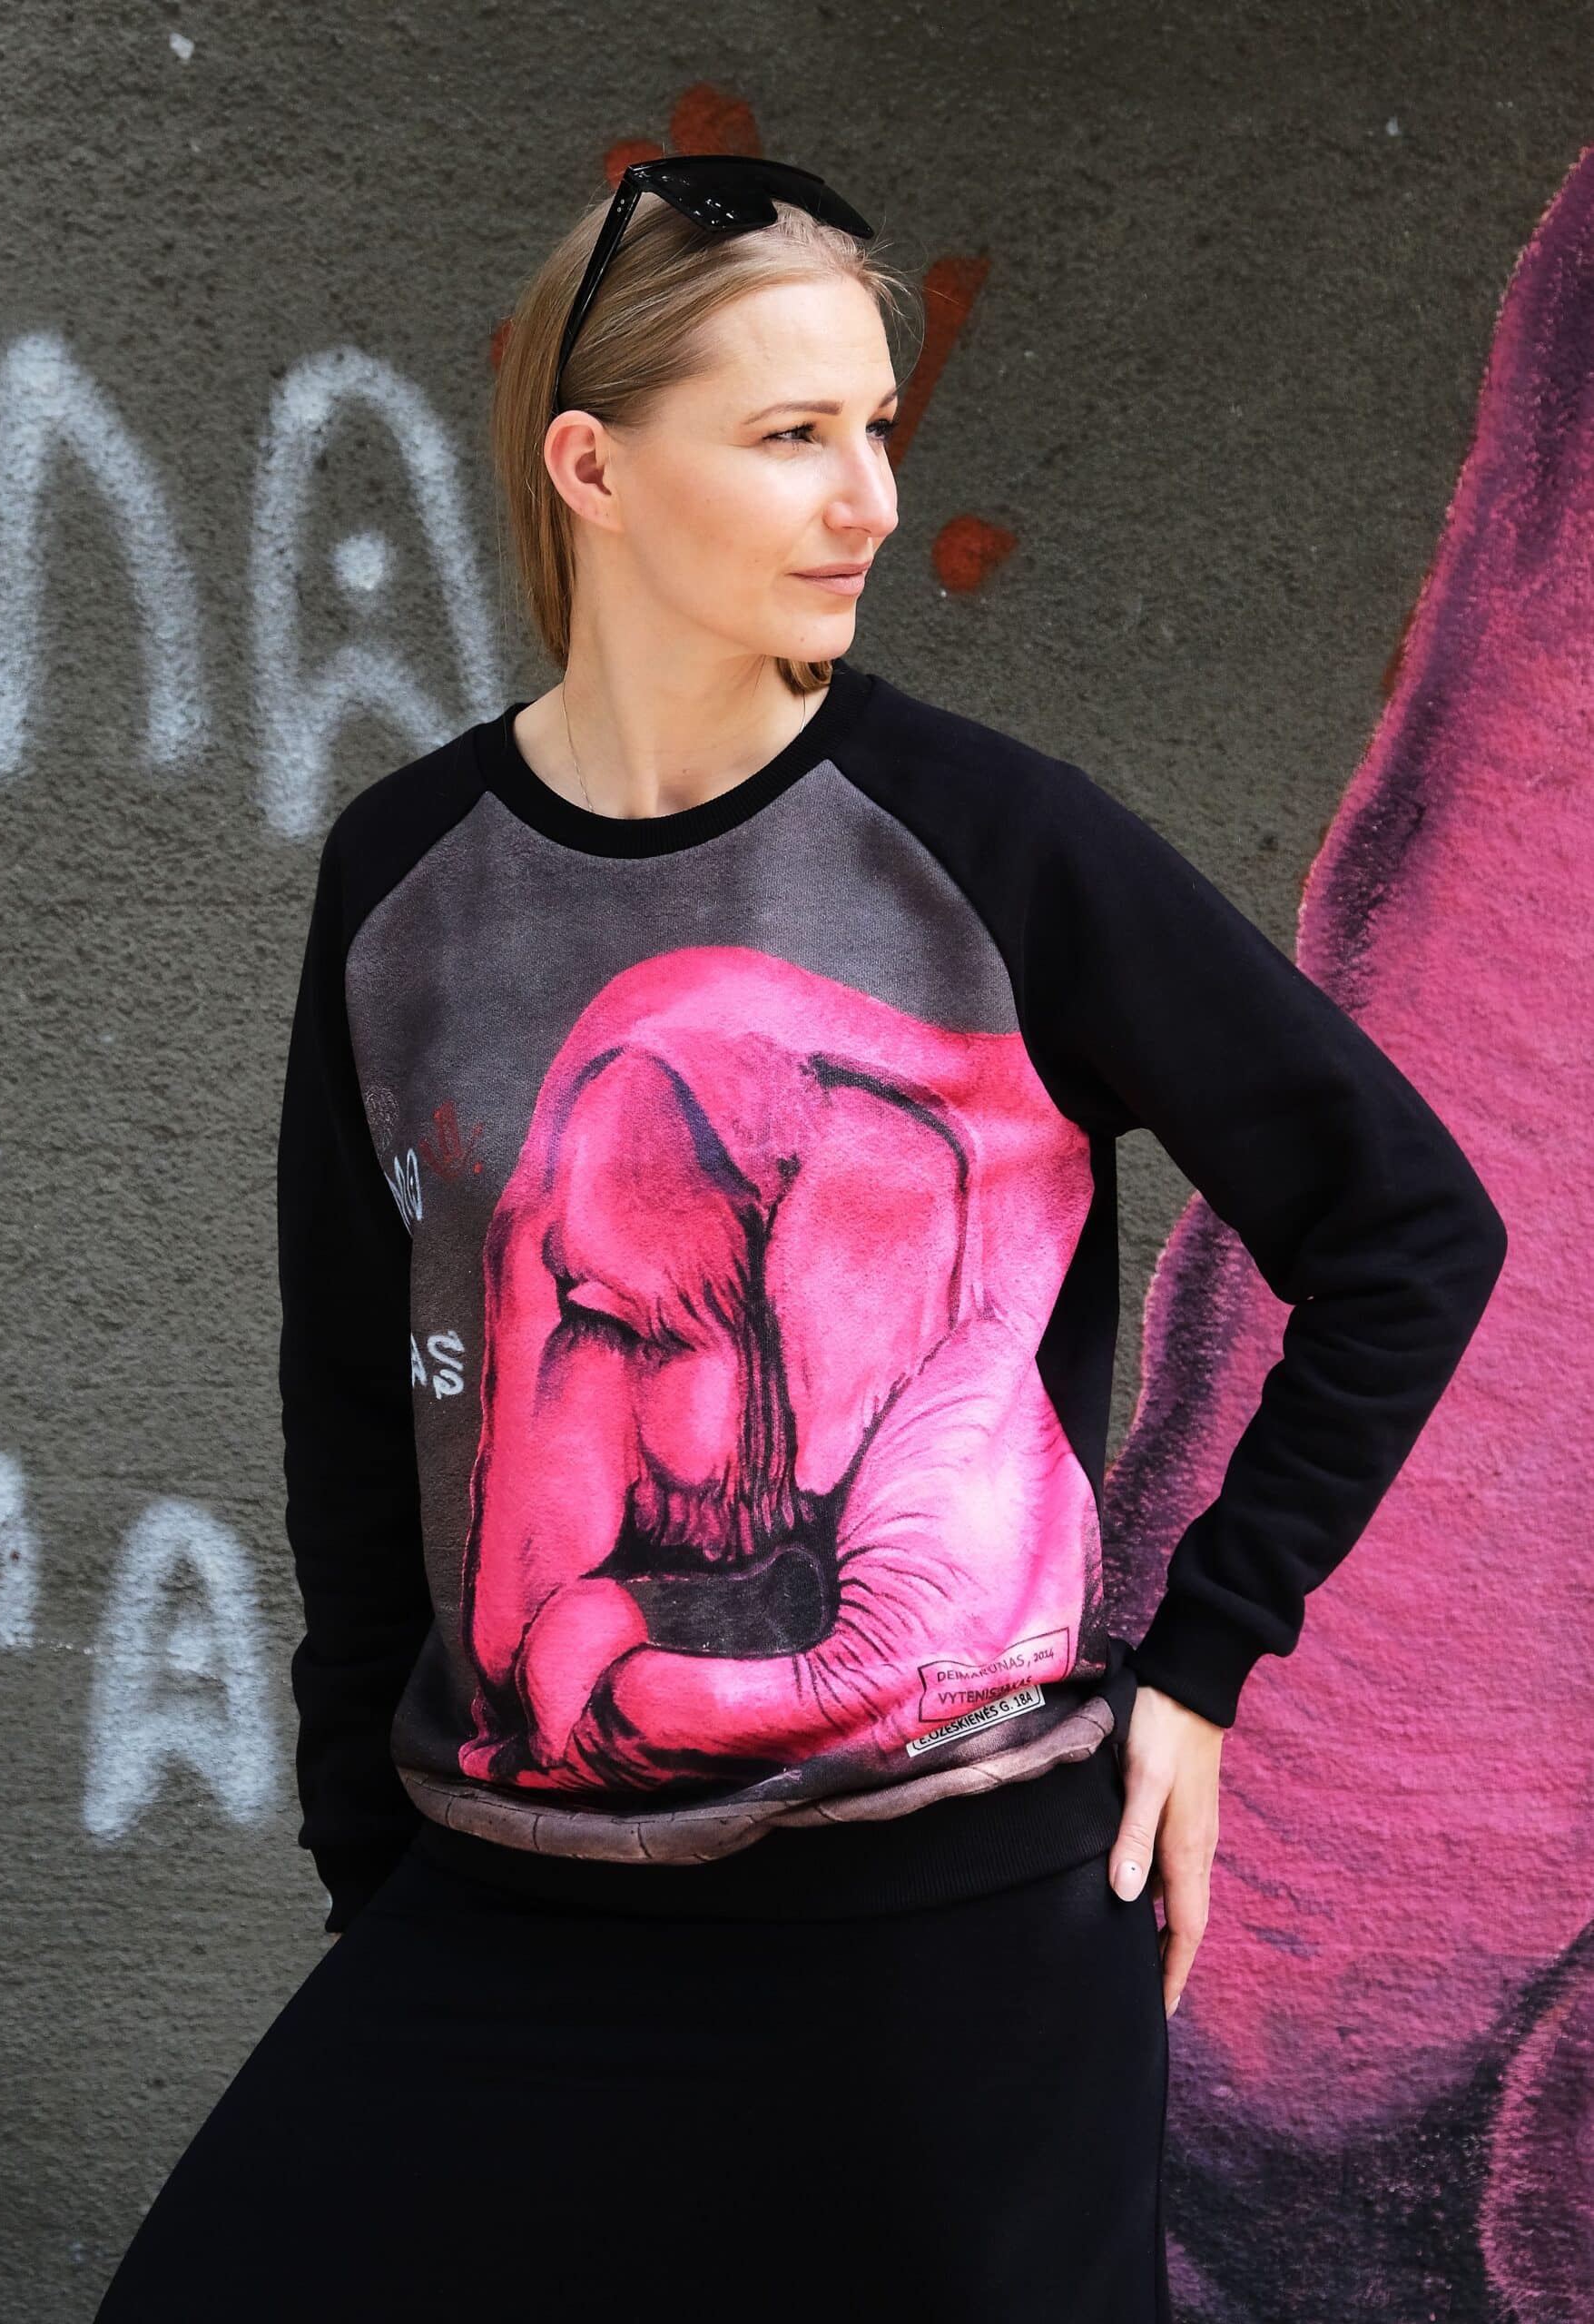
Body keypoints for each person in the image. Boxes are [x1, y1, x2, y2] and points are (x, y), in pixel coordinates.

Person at [93, 157, 1507, 2323]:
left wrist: (1204, 1659)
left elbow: (1402, 1222)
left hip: (944, 1935)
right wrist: (374, 1860)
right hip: (513, 1919)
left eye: (872, 427)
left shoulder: (991, 841)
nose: (864, 499)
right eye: (787, 435)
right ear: (590, 468)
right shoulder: (407, 875)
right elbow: (366, 1399)